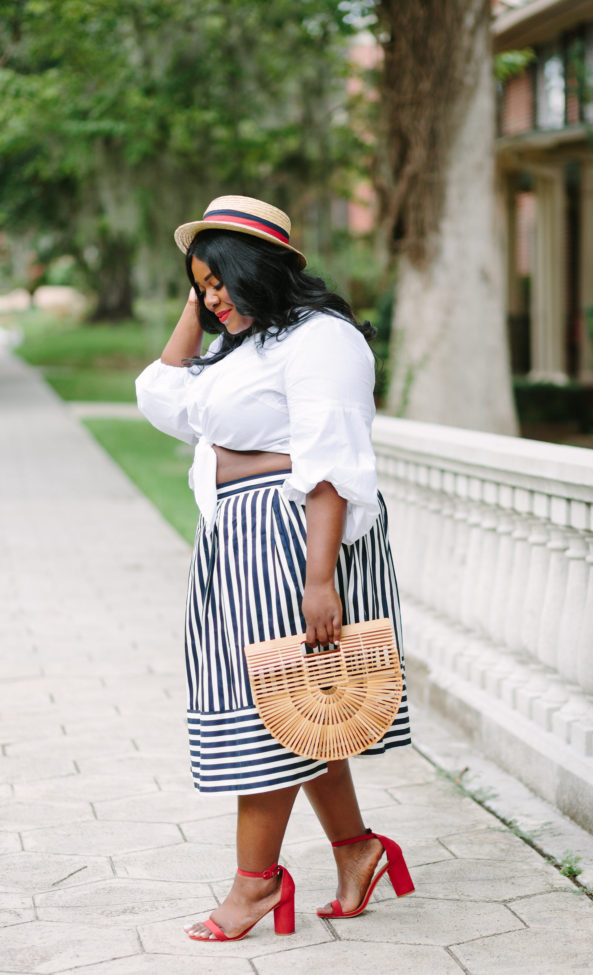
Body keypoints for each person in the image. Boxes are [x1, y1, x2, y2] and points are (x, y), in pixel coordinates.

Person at [135, 195, 413, 943]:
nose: (212, 297)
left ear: (260, 269)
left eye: (221, 281)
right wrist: (203, 304)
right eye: (200, 285)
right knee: (301, 704)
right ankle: (359, 851)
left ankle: (256, 883)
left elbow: (331, 458)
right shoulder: (247, 343)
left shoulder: (320, 339)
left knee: (275, 716)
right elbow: (162, 398)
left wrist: (319, 578)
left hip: (294, 539)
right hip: (241, 542)